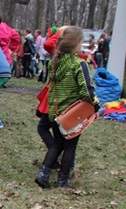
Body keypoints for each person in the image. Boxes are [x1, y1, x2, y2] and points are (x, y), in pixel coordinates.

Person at [34, 26, 98, 190]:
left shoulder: (55, 63)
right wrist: (95, 104)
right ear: (76, 44)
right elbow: (86, 90)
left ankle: (44, 173)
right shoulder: (79, 64)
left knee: (57, 144)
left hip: (55, 111)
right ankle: (62, 180)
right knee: (70, 147)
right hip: (72, 113)